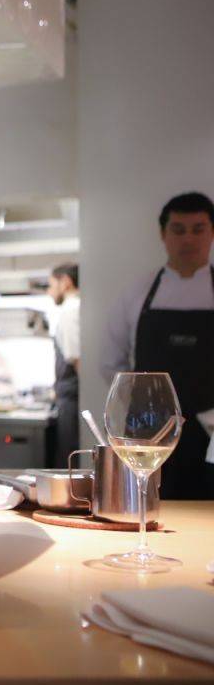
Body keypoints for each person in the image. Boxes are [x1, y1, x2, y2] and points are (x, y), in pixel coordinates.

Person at [102, 191, 214, 499]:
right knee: (148, 513)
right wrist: (139, 407)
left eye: (198, 229)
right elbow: (112, 364)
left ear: (212, 232)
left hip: (212, 435)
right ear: (163, 234)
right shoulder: (137, 293)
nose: (188, 239)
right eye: (178, 230)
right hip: (147, 437)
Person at [47, 263, 80, 469]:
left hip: (73, 400)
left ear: (65, 282)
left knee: (70, 463)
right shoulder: (77, 308)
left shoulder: (70, 311)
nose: (49, 292)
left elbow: (77, 360)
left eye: (51, 285)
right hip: (72, 397)